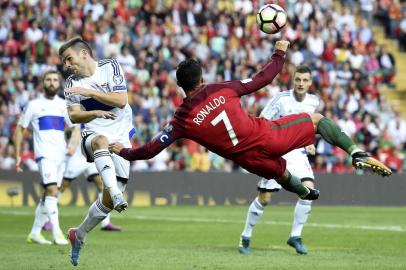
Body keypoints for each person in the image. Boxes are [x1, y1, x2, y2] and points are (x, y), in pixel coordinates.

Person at [110, 39, 391, 203]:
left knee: (281, 175)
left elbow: (149, 150)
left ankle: (306, 193)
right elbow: (263, 78)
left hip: (248, 161)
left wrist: (121, 151)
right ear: (202, 78)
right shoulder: (221, 88)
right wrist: (279, 52)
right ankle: (357, 153)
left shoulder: (181, 119)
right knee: (316, 120)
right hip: (266, 135)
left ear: (181, 86)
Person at [59, 37, 135, 266]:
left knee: (108, 201)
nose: (66, 65)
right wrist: (94, 114)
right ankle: (115, 191)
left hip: (121, 135)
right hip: (93, 133)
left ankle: (79, 233)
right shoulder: (71, 83)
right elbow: (74, 115)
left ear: (83, 54)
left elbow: (121, 100)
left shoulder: (110, 66)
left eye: (69, 58)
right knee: (100, 141)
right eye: (64, 61)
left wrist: (90, 93)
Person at [239, 65, 320, 255]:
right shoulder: (281, 99)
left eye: (305, 80)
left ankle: (295, 236)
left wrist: (310, 143)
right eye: (298, 79)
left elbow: (309, 127)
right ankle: (246, 236)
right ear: (293, 80)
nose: (301, 83)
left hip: (298, 153)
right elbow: (262, 121)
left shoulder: (313, 102)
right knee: (265, 198)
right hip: (277, 151)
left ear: (310, 83)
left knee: (308, 191)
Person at [14, 70, 72, 245]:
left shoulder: (64, 105)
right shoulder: (33, 105)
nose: (52, 82)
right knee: (53, 191)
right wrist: (17, 155)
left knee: (48, 194)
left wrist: (73, 144)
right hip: (44, 155)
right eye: (49, 80)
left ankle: (35, 233)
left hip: (61, 157)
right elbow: (19, 128)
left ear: (58, 83)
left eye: (55, 80)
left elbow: (75, 127)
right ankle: (57, 233)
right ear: (43, 82)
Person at [60, 137, 121, 231]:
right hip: (79, 155)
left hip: (93, 155)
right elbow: (73, 129)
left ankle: (105, 223)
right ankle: (46, 218)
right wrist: (72, 144)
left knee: (102, 185)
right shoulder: (81, 122)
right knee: (62, 186)